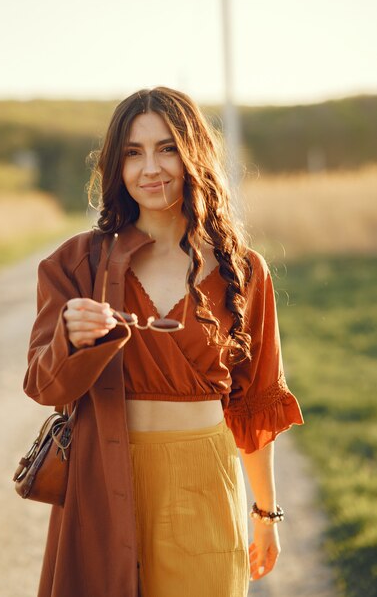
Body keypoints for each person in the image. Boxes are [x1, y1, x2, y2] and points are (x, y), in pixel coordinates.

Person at [23, 86, 303, 597]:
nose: (150, 168)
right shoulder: (75, 264)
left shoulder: (243, 270)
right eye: (133, 153)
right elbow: (43, 384)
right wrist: (68, 336)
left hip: (205, 483)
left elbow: (254, 406)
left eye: (167, 147)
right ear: (116, 166)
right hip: (104, 479)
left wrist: (266, 512)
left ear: (194, 153)